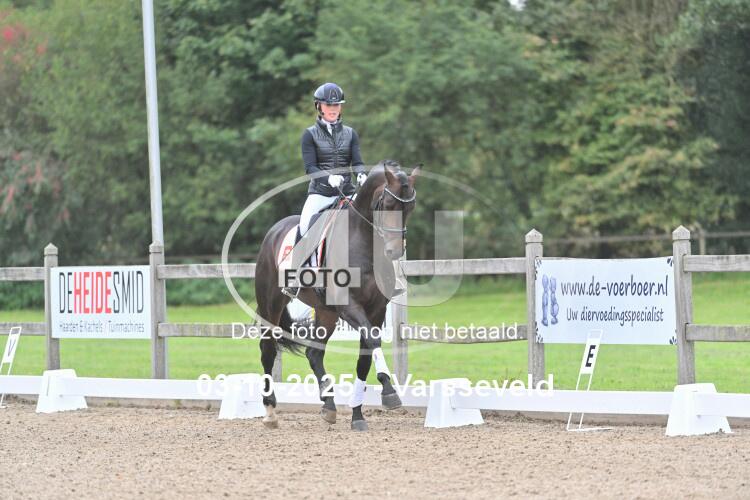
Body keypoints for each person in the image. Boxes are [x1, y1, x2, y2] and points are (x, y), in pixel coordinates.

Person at [298, 82, 367, 239]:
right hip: (321, 194)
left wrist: (361, 174)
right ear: (319, 106)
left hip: (348, 193)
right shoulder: (309, 134)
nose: (333, 109)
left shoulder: (351, 134)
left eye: (336, 105)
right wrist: (328, 178)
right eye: (328, 105)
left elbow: (357, 163)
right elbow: (310, 168)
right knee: (304, 229)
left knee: (372, 222)